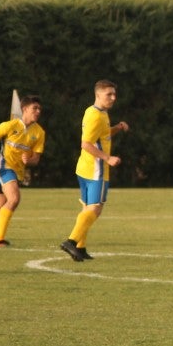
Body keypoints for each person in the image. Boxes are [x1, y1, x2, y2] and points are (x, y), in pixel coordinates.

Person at [60, 81, 130, 262]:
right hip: (95, 170)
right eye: (109, 94)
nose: (113, 98)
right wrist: (108, 158)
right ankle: (71, 241)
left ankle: (80, 247)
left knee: (87, 208)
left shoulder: (97, 112)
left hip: (84, 168)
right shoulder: (96, 116)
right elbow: (86, 144)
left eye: (114, 94)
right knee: (95, 209)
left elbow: (102, 135)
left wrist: (117, 128)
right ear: (98, 95)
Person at [0, 94, 46, 247]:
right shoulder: (10, 125)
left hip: (17, 173)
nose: (38, 111)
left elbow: (36, 158)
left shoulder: (39, 133)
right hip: (3, 167)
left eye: (39, 109)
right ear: (25, 109)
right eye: (35, 108)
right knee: (14, 199)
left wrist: (30, 160)